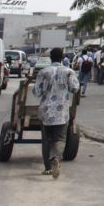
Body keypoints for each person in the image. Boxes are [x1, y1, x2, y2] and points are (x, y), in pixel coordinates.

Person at [32, 47, 80, 179]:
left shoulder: (43, 72)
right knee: (59, 138)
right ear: (62, 57)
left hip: (46, 111)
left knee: (46, 139)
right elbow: (75, 88)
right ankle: (56, 158)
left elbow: (36, 92)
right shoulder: (69, 72)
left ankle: (48, 168)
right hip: (61, 112)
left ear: (50, 57)